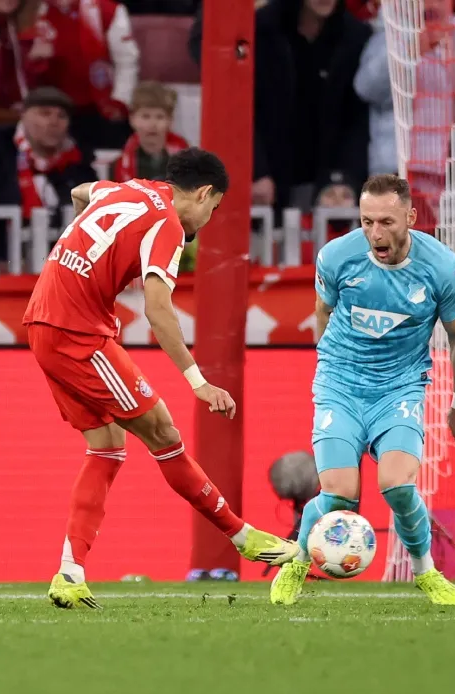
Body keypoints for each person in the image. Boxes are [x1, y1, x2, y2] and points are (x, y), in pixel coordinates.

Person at [23, 147, 300, 609]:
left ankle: (70, 573)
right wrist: (198, 381)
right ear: (204, 193)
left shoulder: (128, 189)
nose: (208, 220)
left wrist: (86, 262)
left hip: (42, 321)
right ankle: (243, 536)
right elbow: (157, 310)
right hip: (77, 334)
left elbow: (79, 193)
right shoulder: (167, 223)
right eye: (214, 208)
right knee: (163, 433)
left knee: (107, 444)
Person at [269, 174, 455, 607]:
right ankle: (297, 565)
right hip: (341, 385)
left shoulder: (444, 269)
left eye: (386, 222)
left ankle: (426, 573)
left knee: (398, 486)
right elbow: (322, 313)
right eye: (367, 222)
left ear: (411, 217)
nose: (375, 233)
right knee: (338, 494)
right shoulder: (336, 257)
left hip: (399, 389)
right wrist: (330, 370)